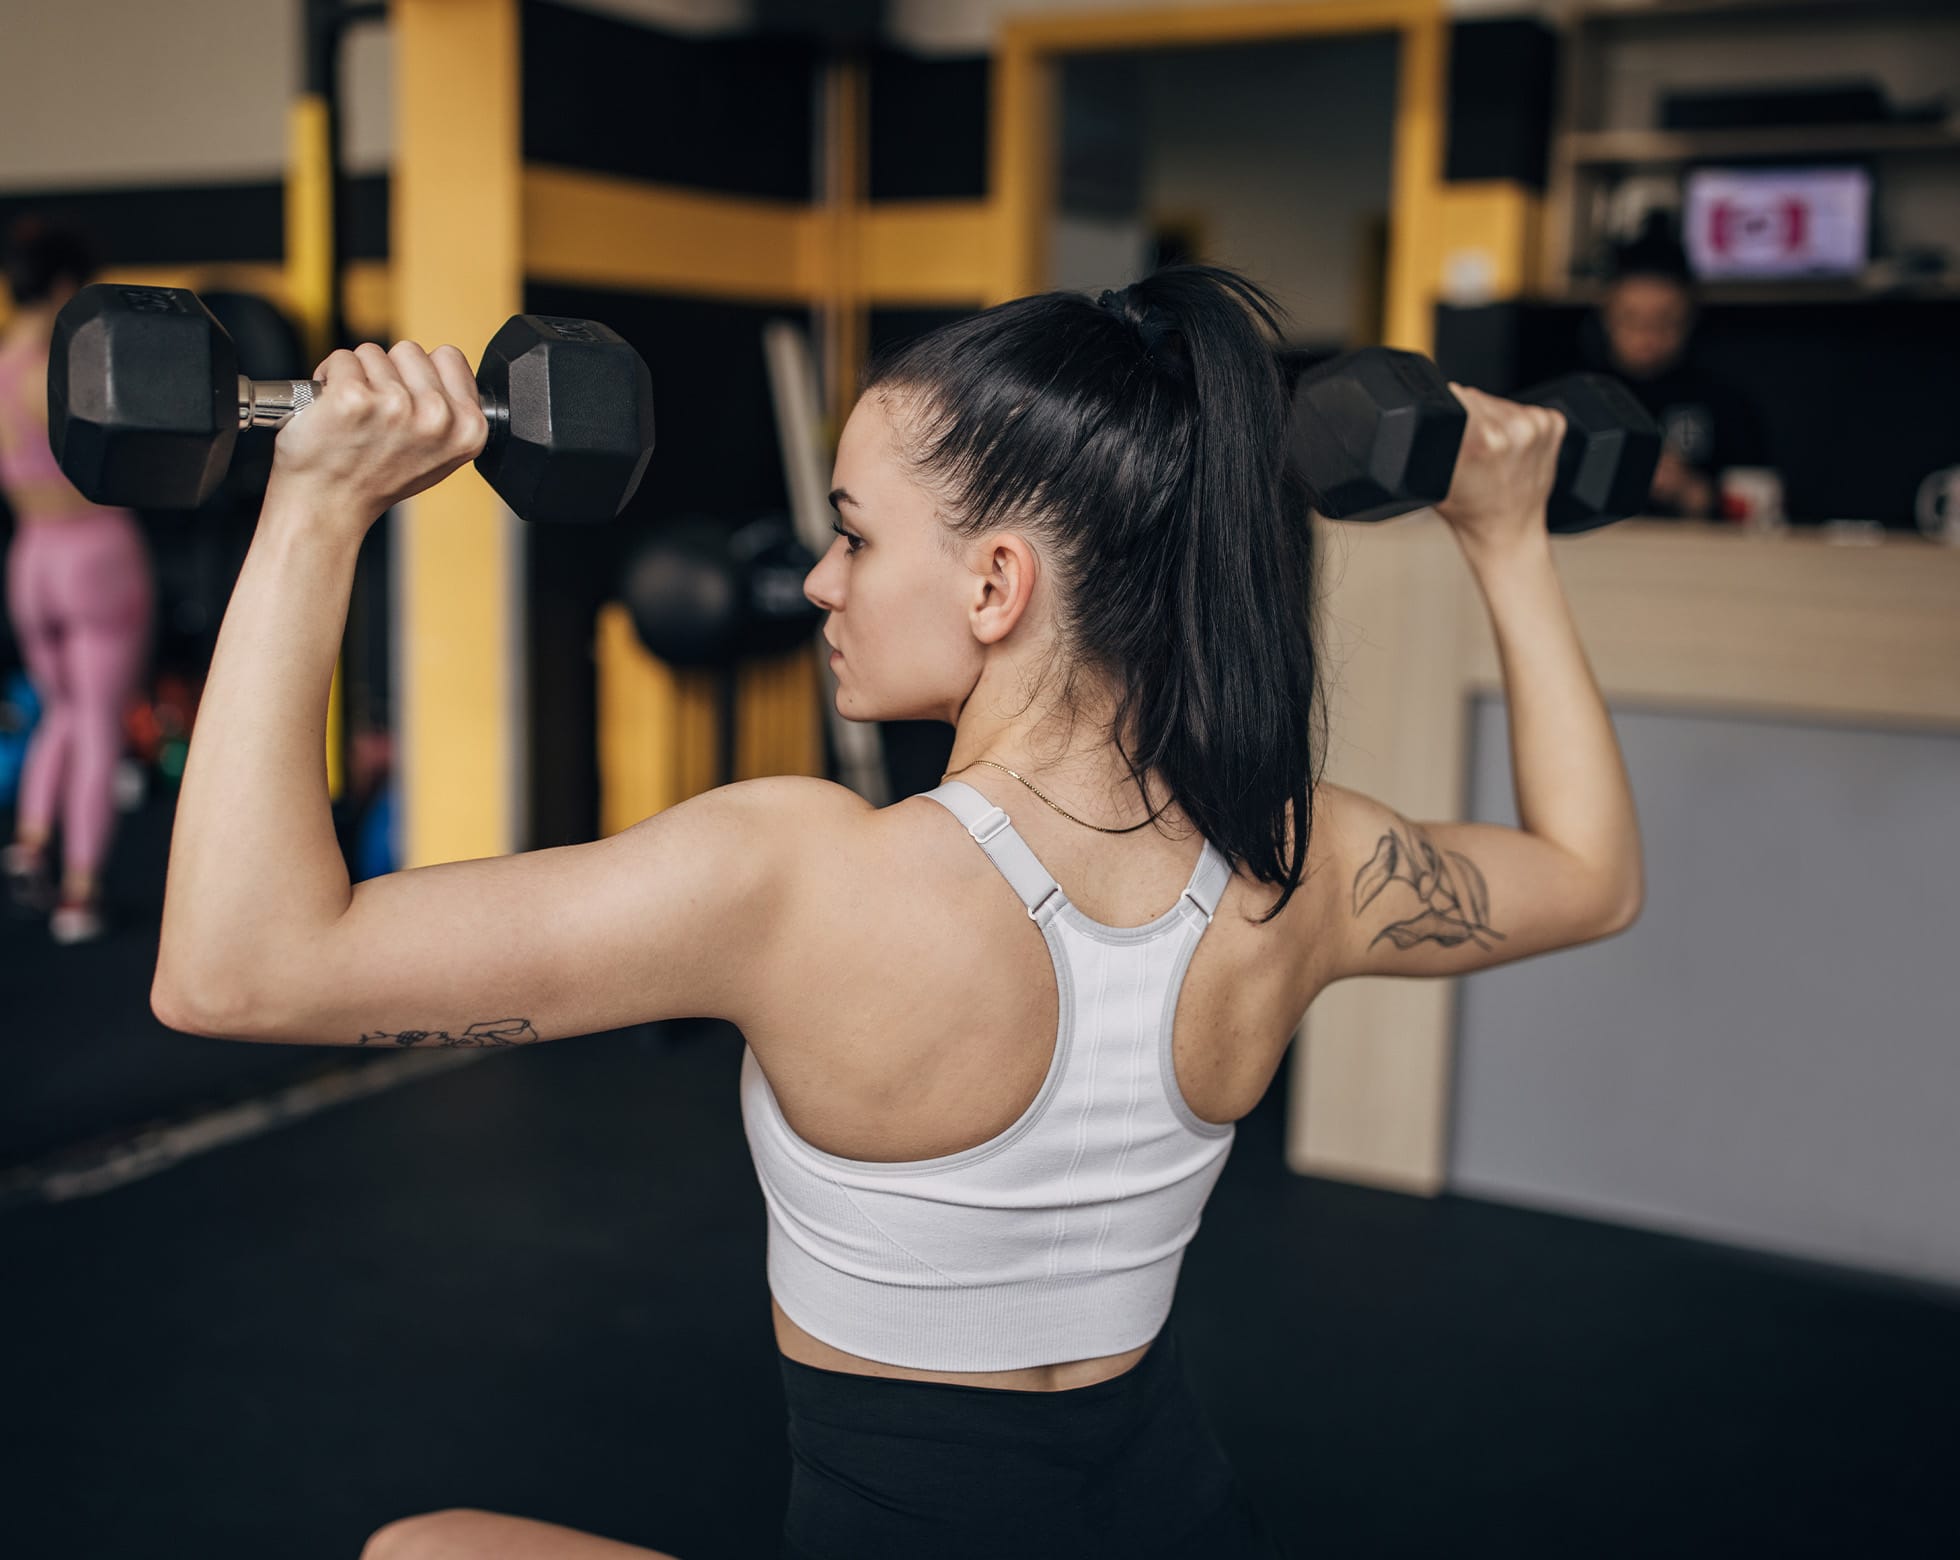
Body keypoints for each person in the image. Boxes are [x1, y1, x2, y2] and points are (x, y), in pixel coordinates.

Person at [148, 265, 1643, 1559]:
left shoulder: (805, 880)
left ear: (997, 583)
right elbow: (1591, 875)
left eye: (856, 534)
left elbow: (234, 974)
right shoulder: (1295, 871)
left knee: (420, 1547)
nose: (817, 581)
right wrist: (1505, 537)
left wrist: (322, 505)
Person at [0, 218, 156, 944]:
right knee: (95, 722)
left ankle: (31, 843)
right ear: (64, 285)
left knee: (57, 711)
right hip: (94, 551)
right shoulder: (58, 372)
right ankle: (79, 896)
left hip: (30, 556)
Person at [1584, 215, 1769, 519]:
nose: (1647, 335)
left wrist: (1692, 491)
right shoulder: (1579, 398)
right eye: (1631, 319)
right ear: (1606, 316)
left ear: (1690, 318)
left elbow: (1761, 512)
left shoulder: (1726, 403)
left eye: (1664, 321)